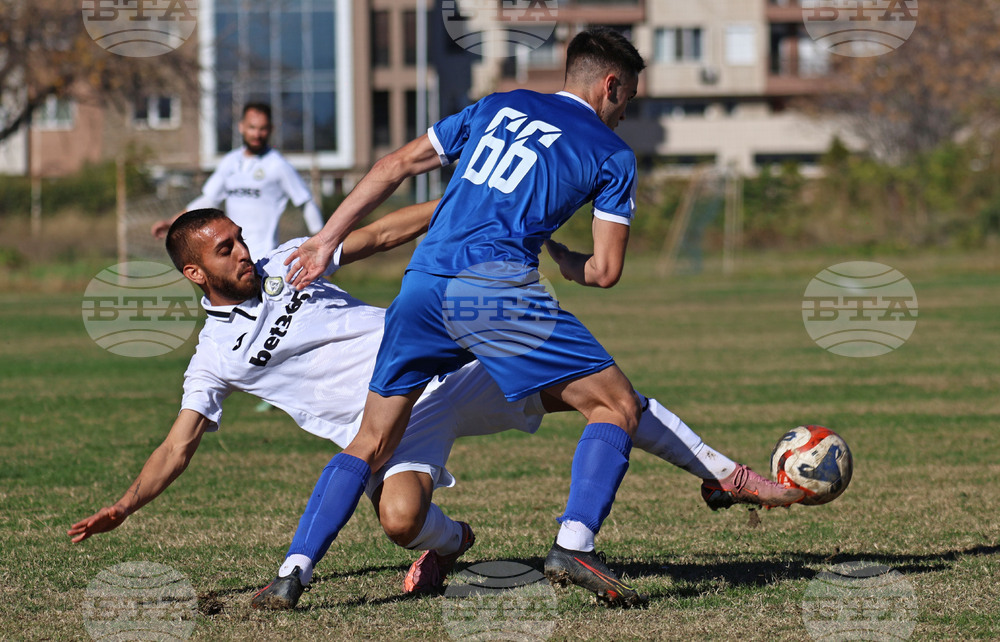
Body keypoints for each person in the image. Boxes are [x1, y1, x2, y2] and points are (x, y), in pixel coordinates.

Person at [278, 28, 798, 607]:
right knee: (615, 405)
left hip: (421, 285)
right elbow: (606, 270)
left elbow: (395, 164)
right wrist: (570, 263)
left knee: (371, 441)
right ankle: (575, 544)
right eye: (628, 99)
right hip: (493, 292)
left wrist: (325, 240)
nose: (625, 114)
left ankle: (293, 572)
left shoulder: (497, 105)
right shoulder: (611, 153)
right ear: (610, 85)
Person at [66, 207, 802, 610]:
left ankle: (726, 475)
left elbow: (379, 233)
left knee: (604, 396)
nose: (243, 252)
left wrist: (463, 203)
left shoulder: (292, 260)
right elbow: (178, 446)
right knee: (398, 523)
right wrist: (125, 506)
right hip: (389, 428)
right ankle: (451, 544)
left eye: (240, 239)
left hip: (445, 366)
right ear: (195, 273)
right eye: (226, 249)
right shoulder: (213, 358)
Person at [151, 102, 325, 261]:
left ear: (271, 129)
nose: (257, 134)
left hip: (265, 257)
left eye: (263, 129)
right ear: (241, 127)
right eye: (252, 127)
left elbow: (306, 202)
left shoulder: (278, 165)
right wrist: (173, 222)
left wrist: (322, 245)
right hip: (234, 256)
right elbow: (208, 200)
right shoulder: (230, 162)